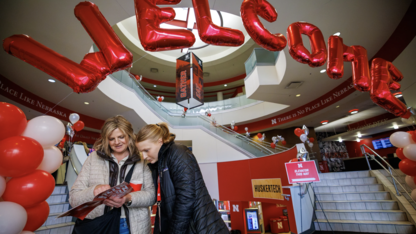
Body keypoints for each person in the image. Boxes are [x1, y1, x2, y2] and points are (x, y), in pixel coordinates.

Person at [135, 122, 229, 234]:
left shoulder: (178, 152)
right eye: (141, 152)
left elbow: (186, 198)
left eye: (146, 150)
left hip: (199, 227)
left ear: (160, 141)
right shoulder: (159, 163)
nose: (144, 156)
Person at [69, 116, 155, 234]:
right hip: (98, 224)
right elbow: (74, 198)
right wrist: (94, 191)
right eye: (112, 138)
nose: (117, 142)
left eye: (121, 137)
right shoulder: (94, 158)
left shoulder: (142, 160)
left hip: (132, 226)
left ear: (129, 136)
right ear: (106, 139)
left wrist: (128, 198)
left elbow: (151, 195)